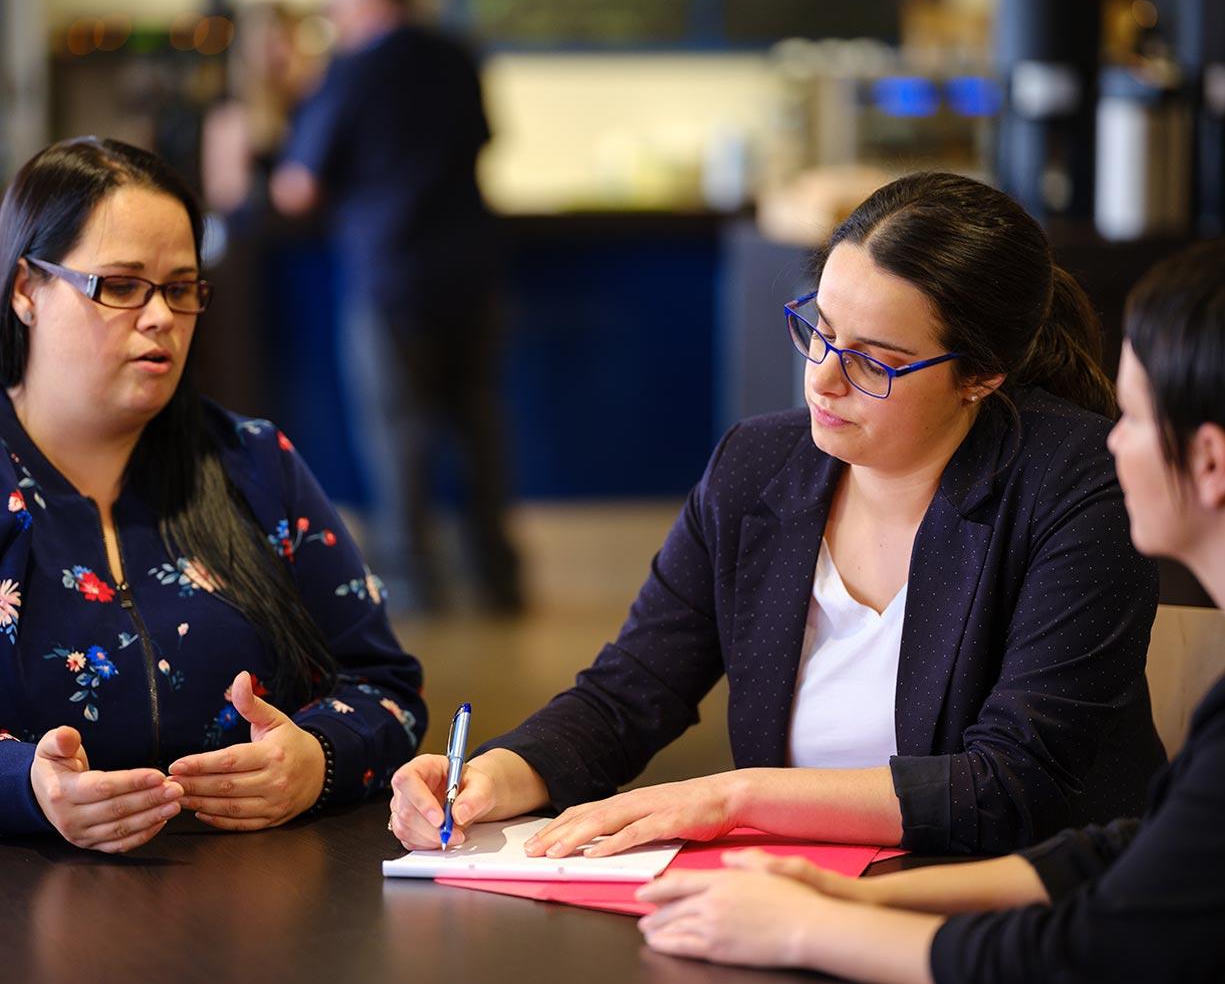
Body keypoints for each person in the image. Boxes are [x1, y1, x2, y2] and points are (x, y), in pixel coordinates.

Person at [390, 171, 1164, 859]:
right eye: (820, 330)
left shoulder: (1080, 483)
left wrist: (733, 797)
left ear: (981, 376)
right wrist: (492, 774)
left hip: (1022, 915)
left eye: (874, 360)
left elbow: (1010, 783)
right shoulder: (760, 465)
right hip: (793, 892)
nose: (823, 379)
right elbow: (629, 692)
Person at [635, 240, 1225, 983]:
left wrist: (809, 925)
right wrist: (836, 897)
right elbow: (1121, 854)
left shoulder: (1065, 482)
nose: (1109, 438)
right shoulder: (759, 459)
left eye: (1131, 418)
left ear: (1206, 461)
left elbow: (1084, 946)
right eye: (818, 329)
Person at [0, 137, 427, 853]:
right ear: (25, 290)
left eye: (180, 287)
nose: (161, 316)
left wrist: (316, 758)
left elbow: (388, 687)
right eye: (122, 285)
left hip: (267, 906)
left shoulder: (253, 463)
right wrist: (26, 785)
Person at [269, 0, 520, 614]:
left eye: (336, 2)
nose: (332, 15)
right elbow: (484, 141)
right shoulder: (455, 54)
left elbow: (297, 187)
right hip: (470, 268)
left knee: (398, 433)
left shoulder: (351, 71)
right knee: (478, 424)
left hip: (390, 273)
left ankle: (413, 585)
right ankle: (498, 579)